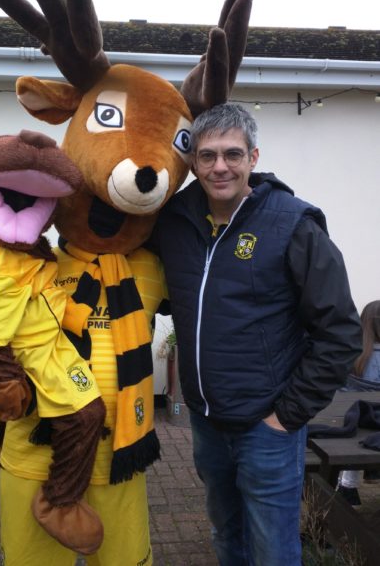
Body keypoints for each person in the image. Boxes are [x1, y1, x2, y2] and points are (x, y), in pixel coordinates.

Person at [150, 102, 362, 566]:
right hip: (206, 421)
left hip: (267, 427)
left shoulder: (292, 224)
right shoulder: (173, 222)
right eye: (207, 156)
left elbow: (341, 332)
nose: (219, 166)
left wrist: (287, 415)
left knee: (273, 549)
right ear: (193, 161)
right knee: (227, 535)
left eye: (232, 154)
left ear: (253, 157)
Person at [336, 300, 380, 505]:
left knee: (353, 426)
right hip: (375, 430)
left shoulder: (348, 355)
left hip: (347, 430)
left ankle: (347, 486)